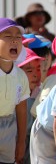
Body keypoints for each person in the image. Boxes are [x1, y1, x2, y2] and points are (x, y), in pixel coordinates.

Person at [0, 18, 30, 163]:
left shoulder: (20, 76)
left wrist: (21, 142)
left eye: (18, 37)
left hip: (10, 129)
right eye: (8, 36)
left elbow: (21, 110)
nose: (14, 41)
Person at [17, 48, 44, 164]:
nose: (36, 74)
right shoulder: (12, 98)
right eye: (29, 70)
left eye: (38, 69)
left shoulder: (42, 93)